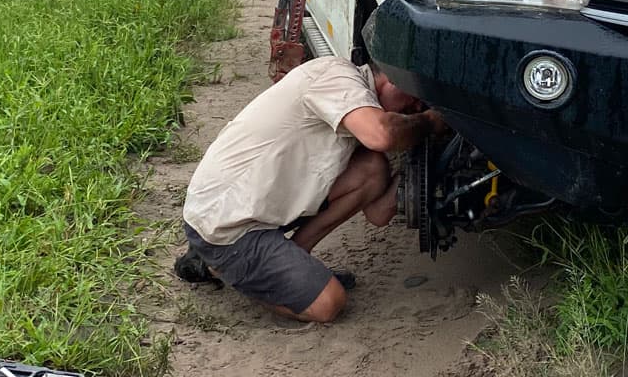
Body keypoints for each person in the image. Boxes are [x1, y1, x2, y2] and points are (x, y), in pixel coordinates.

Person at [177, 56, 446, 323]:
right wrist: (430, 121)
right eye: (412, 95)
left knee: (372, 169)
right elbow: (382, 135)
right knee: (329, 304)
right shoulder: (336, 75)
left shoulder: (355, 100)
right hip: (227, 225)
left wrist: (424, 158)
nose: (415, 105)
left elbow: (378, 213)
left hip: (251, 203)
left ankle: (293, 260)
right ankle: (225, 270)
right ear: (389, 78)